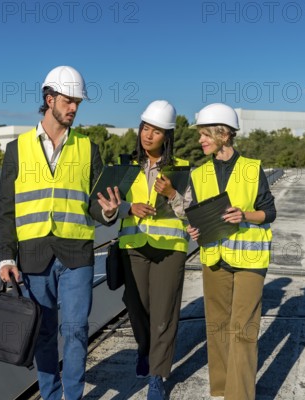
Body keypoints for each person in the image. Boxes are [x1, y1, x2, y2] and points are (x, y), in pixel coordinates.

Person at [0, 66, 120, 400]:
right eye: (68, 101)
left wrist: (107, 212)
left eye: (78, 102)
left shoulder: (88, 148)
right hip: (33, 256)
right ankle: (51, 395)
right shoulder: (17, 149)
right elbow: (6, 208)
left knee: (77, 330)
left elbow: (95, 203)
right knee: (44, 333)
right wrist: (6, 256)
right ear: (49, 99)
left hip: (76, 253)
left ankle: (74, 396)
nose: (74, 108)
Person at [184, 103, 276, 400]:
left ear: (223, 133)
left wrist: (244, 215)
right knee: (218, 327)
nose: (201, 141)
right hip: (214, 257)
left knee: (243, 329)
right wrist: (194, 230)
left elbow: (269, 212)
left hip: (250, 258)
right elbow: (198, 215)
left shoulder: (252, 168)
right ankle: (220, 391)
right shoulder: (198, 174)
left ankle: (239, 396)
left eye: (204, 135)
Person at [116, 100, 190, 400]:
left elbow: (191, 211)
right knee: (138, 310)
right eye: (146, 128)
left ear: (167, 137)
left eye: (156, 131)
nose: (148, 135)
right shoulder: (125, 165)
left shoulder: (182, 169)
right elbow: (107, 203)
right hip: (133, 246)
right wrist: (127, 207)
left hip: (169, 250)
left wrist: (172, 194)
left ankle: (158, 374)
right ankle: (144, 350)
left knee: (163, 314)